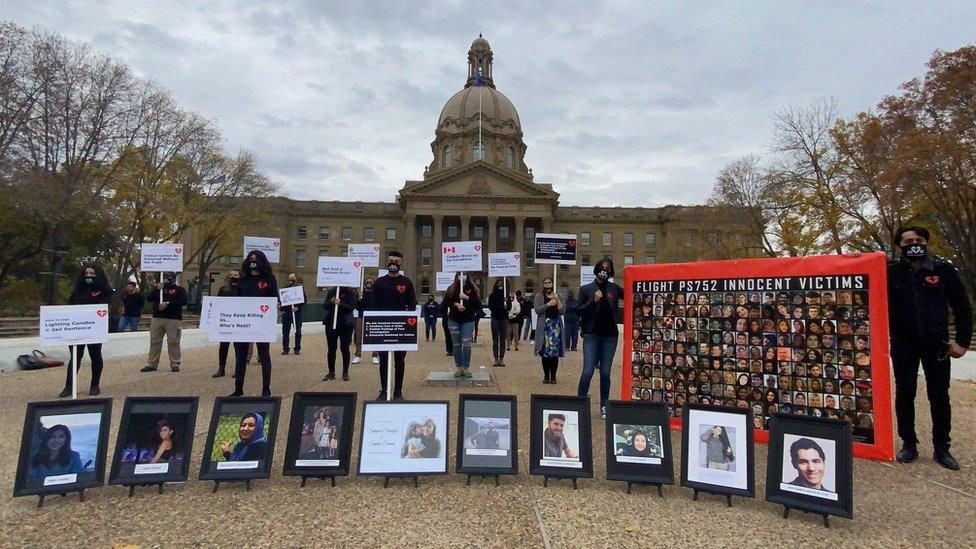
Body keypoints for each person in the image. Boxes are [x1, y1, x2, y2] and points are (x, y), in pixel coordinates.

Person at [888, 226, 972, 470]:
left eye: (919, 239)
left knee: (939, 395)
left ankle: (942, 448)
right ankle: (908, 444)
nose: (914, 243)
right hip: (904, 344)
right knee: (905, 393)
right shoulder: (891, 274)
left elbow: (962, 308)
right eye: (908, 240)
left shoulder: (944, 271)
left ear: (926, 242)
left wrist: (963, 342)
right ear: (899, 246)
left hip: (937, 344)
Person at [576, 258, 625, 418]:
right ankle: (580, 404)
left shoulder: (615, 289)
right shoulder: (586, 289)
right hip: (592, 335)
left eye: (607, 268)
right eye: (602, 267)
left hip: (610, 336)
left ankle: (604, 405)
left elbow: (632, 293)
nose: (604, 270)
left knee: (605, 373)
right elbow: (579, 310)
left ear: (610, 272)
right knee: (588, 371)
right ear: (597, 269)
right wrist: (593, 300)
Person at [59, 264, 115, 398]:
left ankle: (95, 384)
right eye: (87, 273)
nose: (89, 276)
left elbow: (105, 306)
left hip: (95, 329)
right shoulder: (78, 290)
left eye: (92, 273)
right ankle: (69, 386)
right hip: (78, 329)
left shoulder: (105, 291)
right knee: (75, 357)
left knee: (95, 355)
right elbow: (70, 306)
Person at [368, 251, 417, 400]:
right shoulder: (379, 282)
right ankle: (384, 390)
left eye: (396, 261)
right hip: (383, 327)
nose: (393, 263)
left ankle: (398, 391)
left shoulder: (406, 282)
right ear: (387, 262)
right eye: (391, 260)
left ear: (400, 263)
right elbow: (373, 305)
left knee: (399, 361)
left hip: (401, 328)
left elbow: (413, 305)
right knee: (383, 361)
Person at [229, 250, 278, 397]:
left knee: (264, 355)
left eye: (256, 259)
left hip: (262, 322)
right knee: (240, 356)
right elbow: (237, 300)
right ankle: (238, 388)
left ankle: (266, 388)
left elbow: (274, 297)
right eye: (251, 258)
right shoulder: (244, 280)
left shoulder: (269, 279)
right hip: (244, 322)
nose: (253, 261)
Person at [141, 272, 187, 373]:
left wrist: (168, 304)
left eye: (169, 278)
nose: (167, 280)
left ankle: (175, 363)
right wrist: (157, 289)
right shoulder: (158, 289)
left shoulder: (179, 290)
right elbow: (149, 298)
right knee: (155, 341)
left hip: (173, 319)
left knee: (173, 342)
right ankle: (152, 363)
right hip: (157, 317)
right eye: (165, 278)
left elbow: (183, 301)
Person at [444, 272, 482, 378]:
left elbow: (478, 304)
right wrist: (455, 304)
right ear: (457, 276)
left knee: (466, 344)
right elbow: (446, 302)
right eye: (460, 274)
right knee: (456, 345)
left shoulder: (473, 289)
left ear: (467, 275)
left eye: (464, 274)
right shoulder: (452, 288)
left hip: (468, 320)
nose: (462, 276)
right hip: (454, 319)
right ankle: (459, 367)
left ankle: (465, 368)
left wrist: (466, 298)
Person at [322, 285, 357, 381]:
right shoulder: (332, 291)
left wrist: (340, 303)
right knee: (331, 348)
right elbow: (325, 306)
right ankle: (331, 372)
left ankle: (345, 372)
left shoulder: (350, 292)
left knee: (345, 348)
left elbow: (351, 307)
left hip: (345, 324)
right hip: (331, 322)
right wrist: (331, 302)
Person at [535, 278, 566, 384]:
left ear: (552, 284)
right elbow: (537, 310)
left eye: (549, 283)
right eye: (545, 283)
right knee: (545, 353)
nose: (547, 285)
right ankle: (546, 376)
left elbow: (562, 311)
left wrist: (557, 301)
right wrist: (548, 304)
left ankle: (553, 376)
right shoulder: (539, 296)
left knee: (554, 353)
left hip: (555, 327)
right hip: (545, 327)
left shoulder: (557, 296)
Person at [213, 270, 241, 378]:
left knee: (238, 347)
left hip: (238, 321)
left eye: (235, 275)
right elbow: (217, 303)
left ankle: (238, 369)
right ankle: (221, 368)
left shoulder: (242, 289)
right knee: (223, 346)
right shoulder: (223, 289)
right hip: (226, 320)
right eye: (231, 275)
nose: (233, 276)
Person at [352, 277, 377, 365]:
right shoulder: (360, 294)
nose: (369, 284)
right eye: (367, 282)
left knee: (373, 337)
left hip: (373, 317)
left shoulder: (376, 294)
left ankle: (375, 355)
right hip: (361, 316)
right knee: (359, 337)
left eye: (370, 282)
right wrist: (359, 299)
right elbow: (357, 307)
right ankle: (358, 355)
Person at [487, 280, 511, 367]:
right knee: (495, 339)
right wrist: (500, 306)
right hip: (495, 318)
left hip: (504, 319)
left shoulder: (506, 295)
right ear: (496, 285)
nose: (500, 285)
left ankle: (501, 358)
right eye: (499, 284)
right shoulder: (492, 295)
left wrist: (507, 304)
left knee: (502, 339)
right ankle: (495, 358)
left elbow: (509, 307)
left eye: (502, 284)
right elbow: (490, 306)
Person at [280, 273, 305, 356]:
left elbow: (304, 300)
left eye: (293, 278)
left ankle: (297, 348)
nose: (291, 280)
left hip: (297, 314)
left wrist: (298, 307)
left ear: (296, 278)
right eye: (290, 279)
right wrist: (282, 309)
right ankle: (285, 348)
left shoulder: (300, 289)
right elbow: (282, 302)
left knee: (298, 331)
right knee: (285, 332)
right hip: (287, 314)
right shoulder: (285, 289)